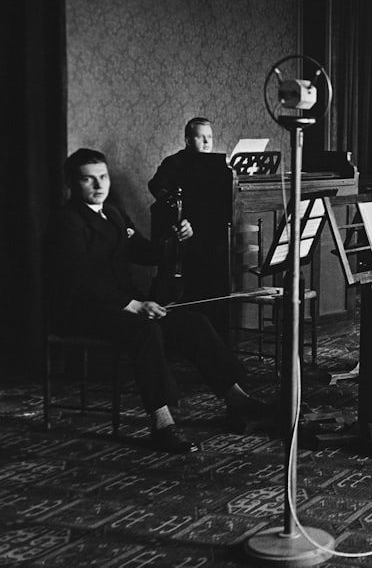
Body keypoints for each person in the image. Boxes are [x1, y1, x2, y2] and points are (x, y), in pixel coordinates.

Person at [45, 149, 269, 454]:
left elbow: (143, 252)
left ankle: (237, 398)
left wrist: (174, 239)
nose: (99, 186)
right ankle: (162, 423)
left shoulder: (112, 213)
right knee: (145, 331)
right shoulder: (66, 222)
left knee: (194, 322)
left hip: (122, 305)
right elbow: (81, 281)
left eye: (103, 177)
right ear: (72, 183)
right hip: (81, 310)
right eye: (88, 179)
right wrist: (134, 305)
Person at [148, 117, 233, 342]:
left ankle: (213, 335)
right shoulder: (174, 162)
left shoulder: (218, 166)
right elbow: (156, 186)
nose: (207, 142)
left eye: (210, 137)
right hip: (182, 237)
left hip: (209, 236)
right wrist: (175, 214)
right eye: (200, 137)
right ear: (187, 139)